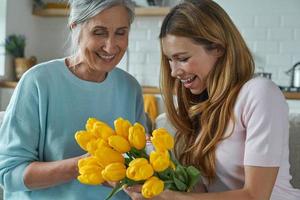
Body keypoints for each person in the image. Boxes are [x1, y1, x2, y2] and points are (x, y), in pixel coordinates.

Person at [124, 0, 300, 199]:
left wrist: (171, 198)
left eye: (182, 58)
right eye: (169, 60)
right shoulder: (201, 103)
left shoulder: (259, 93)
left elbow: (256, 195)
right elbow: (204, 191)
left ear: (218, 48)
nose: (173, 72)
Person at [0, 0, 146, 199]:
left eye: (120, 32)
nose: (111, 46)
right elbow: (9, 173)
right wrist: (84, 165)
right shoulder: (38, 82)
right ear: (75, 27)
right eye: (99, 32)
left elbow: (137, 161)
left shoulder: (130, 88)